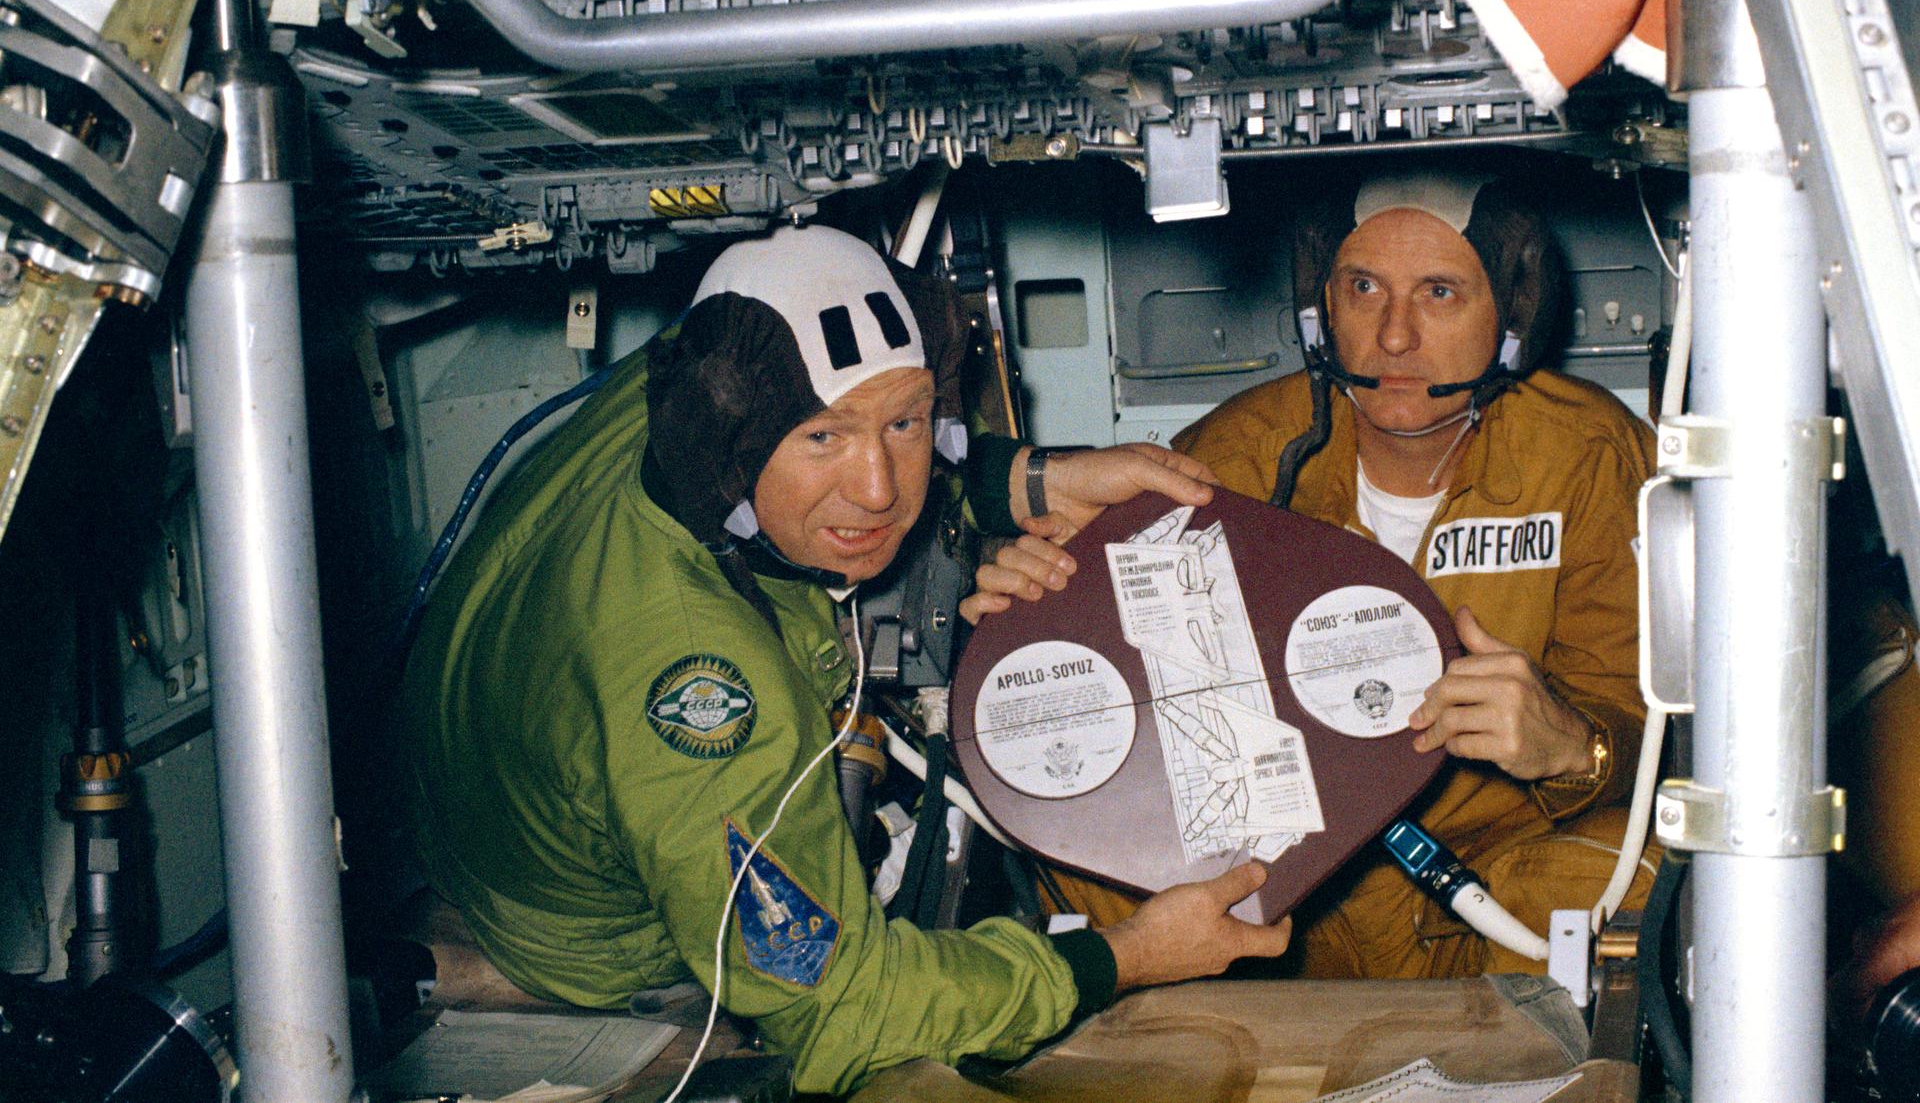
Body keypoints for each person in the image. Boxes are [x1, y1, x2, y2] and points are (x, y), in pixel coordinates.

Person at [396, 223, 1293, 1095]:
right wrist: (1125, 956)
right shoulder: (705, 690)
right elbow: (844, 1010)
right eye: (823, 438)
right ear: (726, 433)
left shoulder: (718, 353)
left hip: (479, 793)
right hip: (578, 941)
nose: (879, 489)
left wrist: (1023, 478)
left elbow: (860, 403)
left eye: (906, 425)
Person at [968, 169, 1657, 978]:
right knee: (1087, 874)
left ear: (1512, 310)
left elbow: (1646, 728)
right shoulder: (1230, 461)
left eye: (1439, 292)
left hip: (1485, 879)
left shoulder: (1585, 457)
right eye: (1364, 288)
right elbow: (1110, 703)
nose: (1394, 337)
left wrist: (1577, 748)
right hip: (1276, 896)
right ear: (1320, 305)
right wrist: (1033, 604)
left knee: (1633, 873)